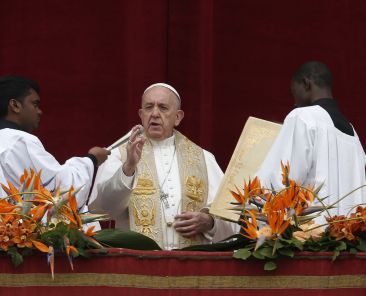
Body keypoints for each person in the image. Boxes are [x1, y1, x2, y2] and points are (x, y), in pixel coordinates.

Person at [89, 83, 234, 249]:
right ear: (141, 115)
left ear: (178, 117)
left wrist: (210, 222)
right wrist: (128, 168)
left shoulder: (204, 159)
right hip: (138, 265)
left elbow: (231, 218)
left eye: (163, 108)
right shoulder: (118, 156)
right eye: (149, 107)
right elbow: (104, 209)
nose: (155, 114)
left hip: (191, 266)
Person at [256, 61, 366, 221]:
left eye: (293, 92)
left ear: (306, 84)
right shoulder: (353, 134)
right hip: (346, 238)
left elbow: (279, 183)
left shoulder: (303, 117)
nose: (294, 102)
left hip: (308, 238)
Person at [0, 75, 110, 213]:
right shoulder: (19, 141)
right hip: (25, 232)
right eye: (35, 104)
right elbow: (62, 192)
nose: (40, 111)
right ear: (15, 105)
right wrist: (92, 159)